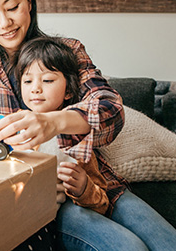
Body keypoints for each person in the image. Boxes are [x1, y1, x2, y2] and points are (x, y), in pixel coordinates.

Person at [0, 0, 176, 250]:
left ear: (29, 1)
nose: (4, 23)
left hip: (98, 182)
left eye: (12, 7)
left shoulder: (67, 51)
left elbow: (110, 109)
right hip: (40, 200)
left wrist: (54, 122)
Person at [16, 36, 109, 215]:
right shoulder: (14, 122)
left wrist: (84, 188)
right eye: (27, 81)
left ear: (68, 91)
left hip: (53, 215)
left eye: (47, 80)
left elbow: (102, 203)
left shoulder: (75, 134)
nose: (35, 88)